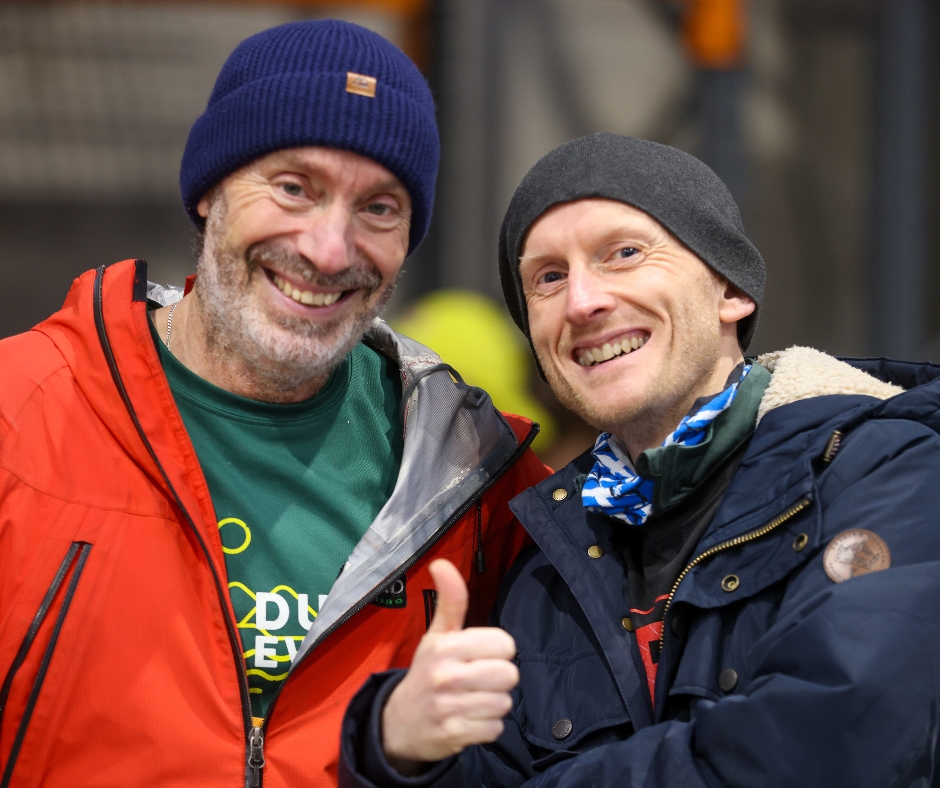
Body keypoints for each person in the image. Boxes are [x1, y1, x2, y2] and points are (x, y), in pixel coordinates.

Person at [0, 20, 549, 788]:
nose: (328, 250)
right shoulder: (20, 413)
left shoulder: (474, 479)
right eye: (294, 188)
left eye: (380, 209)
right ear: (209, 191)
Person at [339, 133, 940, 787]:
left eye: (624, 253)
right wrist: (402, 748)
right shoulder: (545, 562)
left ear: (731, 291)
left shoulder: (887, 469)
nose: (582, 302)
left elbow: (819, 750)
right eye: (548, 278)